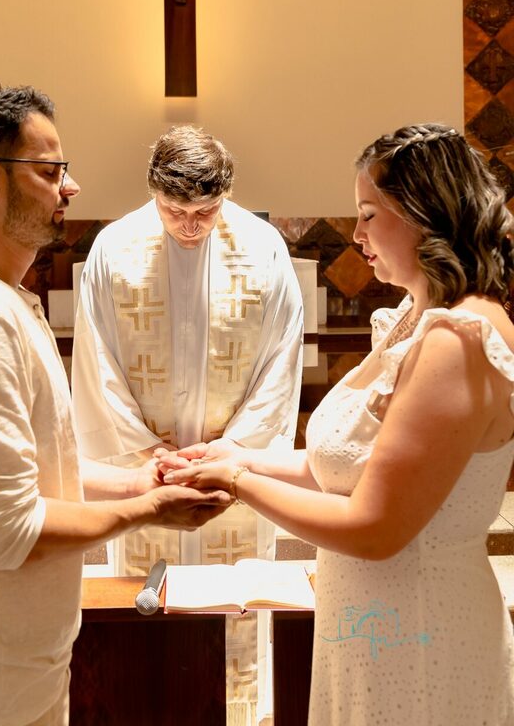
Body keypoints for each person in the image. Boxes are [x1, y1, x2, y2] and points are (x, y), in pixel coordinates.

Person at [0, 87, 230, 726]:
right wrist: (149, 509)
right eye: (50, 172)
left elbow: (32, 472)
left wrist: (135, 477)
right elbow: (6, 532)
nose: (71, 188)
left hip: (3, 674)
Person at [161, 124, 514, 726]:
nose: (355, 235)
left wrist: (239, 485)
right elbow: (344, 469)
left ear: (425, 213)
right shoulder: (413, 319)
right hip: (372, 629)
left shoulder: (459, 338)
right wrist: (235, 456)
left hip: (422, 633)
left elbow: (375, 527)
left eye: (370, 215)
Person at [72, 123, 304, 724]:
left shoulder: (263, 247)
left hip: (234, 472)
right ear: (153, 194)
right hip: (147, 467)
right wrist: (147, 452)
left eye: (206, 210)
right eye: (176, 210)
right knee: (143, 622)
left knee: (238, 634)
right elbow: (97, 362)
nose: (192, 225)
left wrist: (234, 453)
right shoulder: (114, 248)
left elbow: (282, 361)